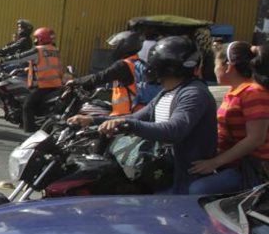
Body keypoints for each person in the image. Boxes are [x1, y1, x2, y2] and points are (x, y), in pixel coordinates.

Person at [99, 36, 217, 194]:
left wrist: (128, 125)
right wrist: (92, 120)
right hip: (163, 168)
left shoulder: (193, 93)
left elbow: (173, 130)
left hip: (182, 177)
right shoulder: (168, 92)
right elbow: (135, 117)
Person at [187, 41, 268, 194]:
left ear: (228, 66)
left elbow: (255, 138)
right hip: (230, 163)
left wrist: (214, 163)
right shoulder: (235, 92)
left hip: (250, 168)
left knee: (198, 189)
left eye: (216, 64)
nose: (214, 69)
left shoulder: (254, 93)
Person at [67, 31, 151, 126]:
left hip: (123, 114)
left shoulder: (123, 65)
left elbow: (100, 77)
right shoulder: (138, 63)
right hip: (137, 111)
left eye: (116, 46)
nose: (114, 49)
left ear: (124, 46)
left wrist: (76, 81)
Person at [11, 27, 62, 132]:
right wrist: (26, 69)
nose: (35, 40)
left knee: (27, 106)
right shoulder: (54, 50)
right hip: (55, 85)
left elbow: (20, 57)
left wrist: (3, 60)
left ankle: (29, 131)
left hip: (43, 85)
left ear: (41, 38)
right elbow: (47, 65)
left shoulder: (38, 50)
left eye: (36, 38)